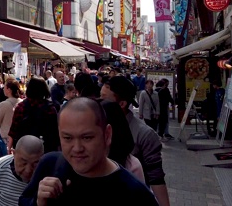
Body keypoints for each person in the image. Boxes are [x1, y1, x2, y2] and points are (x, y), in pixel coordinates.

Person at [18, 98, 158, 206]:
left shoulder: (136, 195)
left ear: (107, 135)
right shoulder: (49, 164)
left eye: (87, 138)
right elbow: (23, 201)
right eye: (67, 138)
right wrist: (38, 202)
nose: (77, 148)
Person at [100, 76, 170, 206]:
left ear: (122, 104)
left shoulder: (144, 134)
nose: (98, 103)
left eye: (103, 99)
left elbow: (156, 177)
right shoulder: (95, 128)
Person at [0, 136, 44, 206]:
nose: (28, 170)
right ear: (14, 153)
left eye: (35, 164)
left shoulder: (44, 174)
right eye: (23, 162)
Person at [8, 77, 59, 154]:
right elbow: (55, 131)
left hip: (24, 149)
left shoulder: (21, 107)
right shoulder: (50, 108)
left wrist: (9, 147)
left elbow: (13, 130)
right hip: (46, 150)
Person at [0, 79, 21, 146]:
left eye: (4, 87)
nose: (3, 89)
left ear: (9, 90)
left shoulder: (3, 104)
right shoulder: (22, 103)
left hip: (6, 140)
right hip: (19, 139)